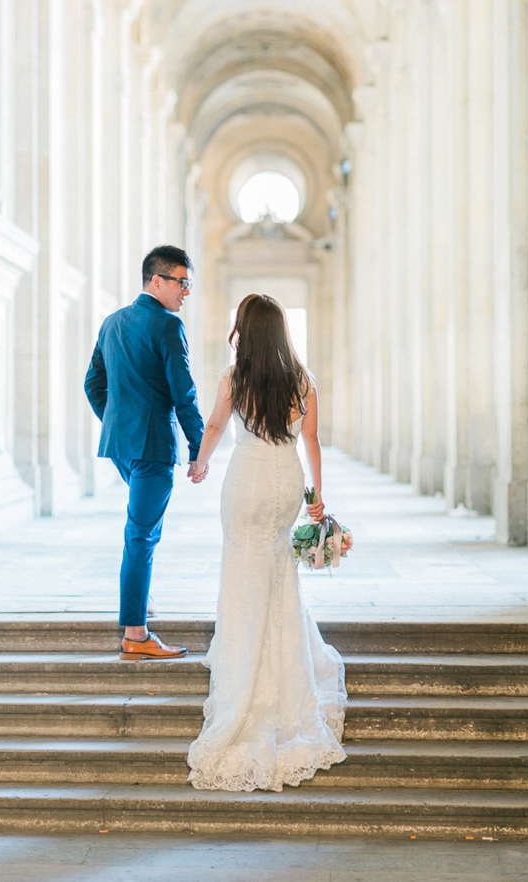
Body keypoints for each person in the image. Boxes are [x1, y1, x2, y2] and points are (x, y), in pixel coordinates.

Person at [186, 293, 346, 791]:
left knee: (241, 566)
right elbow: (312, 440)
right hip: (283, 480)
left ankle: (243, 659)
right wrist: (316, 496)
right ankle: (282, 670)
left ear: (244, 331)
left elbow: (214, 424)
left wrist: (200, 461)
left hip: (247, 476)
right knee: (279, 568)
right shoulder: (303, 380)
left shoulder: (235, 379)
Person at [84, 245, 204, 659]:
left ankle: (140, 599)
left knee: (141, 529)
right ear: (157, 281)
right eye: (181, 282)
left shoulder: (112, 322)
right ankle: (136, 633)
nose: (186, 291)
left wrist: (118, 421)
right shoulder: (168, 326)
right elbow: (183, 391)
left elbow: (92, 385)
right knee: (142, 534)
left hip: (122, 444)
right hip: (153, 446)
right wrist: (198, 446)